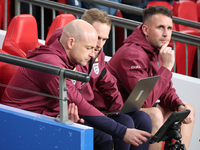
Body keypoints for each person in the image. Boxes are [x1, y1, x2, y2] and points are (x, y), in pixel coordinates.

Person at [1, 19, 152, 150]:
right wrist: (122, 132)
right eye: (89, 48)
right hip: (20, 123)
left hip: (44, 117)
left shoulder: (69, 59)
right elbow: (78, 102)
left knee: (125, 124)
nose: (93, 54)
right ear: (71, 42)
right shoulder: (51, 63)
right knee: (103, 136)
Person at [46, 8, 153, 150]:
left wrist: (118, 110)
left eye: (104, 39)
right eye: (97, 37)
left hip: (88, 110)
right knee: (118, 127)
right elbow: (74, 98)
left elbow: (108, 83)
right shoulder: (68, 53)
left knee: (140, 118)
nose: (99, 44)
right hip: (76, 111)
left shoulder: (97, 54)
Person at [105, 6, 195, 150]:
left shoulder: (157, 49)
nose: (166, 34)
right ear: (146, 30)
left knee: (187, 109)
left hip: (136, 108)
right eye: (160, 27)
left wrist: (179, 105)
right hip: (116, 111)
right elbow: (144, 101)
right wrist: (166, 68)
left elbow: (166, 89)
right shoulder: (132, 54)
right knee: (154, 114)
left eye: (169, 28)